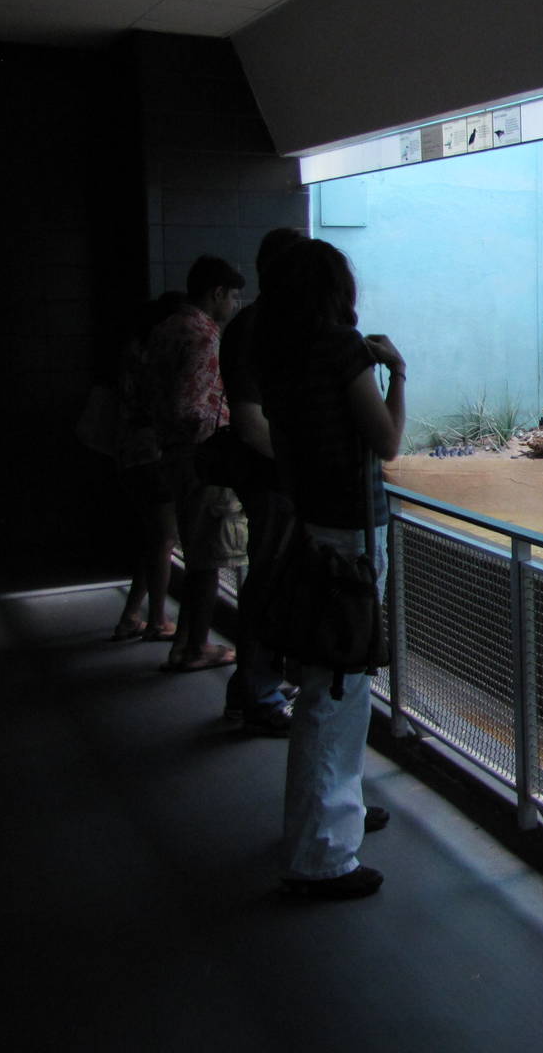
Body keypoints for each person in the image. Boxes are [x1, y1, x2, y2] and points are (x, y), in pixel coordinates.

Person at [255, 238, 406, 900]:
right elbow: (388, 441)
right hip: (350, 538)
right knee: (337, 695)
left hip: (312, 529)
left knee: (325, 686)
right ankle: (321, 856)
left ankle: (324, 821)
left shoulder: (278, 354)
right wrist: (397, 373)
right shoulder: (343, 352)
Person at [219, 228, 304, 733]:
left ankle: (255, 685)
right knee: (269, 580)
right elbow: (251, 424)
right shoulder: (259, 329)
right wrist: (304, 466)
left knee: (272, 579)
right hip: (274, 482)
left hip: (275, 479)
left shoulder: (260, 325)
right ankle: (258, 693)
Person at [145, 256, 244, 671]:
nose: (236, 305)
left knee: (195, 551)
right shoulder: (204, 336)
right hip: (201, 459)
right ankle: (194, 648)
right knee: (209, 560)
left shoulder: (165, 328)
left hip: (170, 454)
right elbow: (190, 407)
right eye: (234, 296)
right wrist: (230, 427)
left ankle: (185, 642)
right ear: (216, 293)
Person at [109, 292, 185, 641]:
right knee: (164, 537)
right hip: (152, 454)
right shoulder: (156, 355)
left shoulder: (133, 350)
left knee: (153, 537)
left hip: (129, 452)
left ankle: (131, 614)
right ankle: (158, 619)